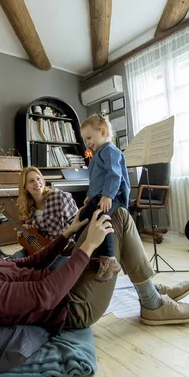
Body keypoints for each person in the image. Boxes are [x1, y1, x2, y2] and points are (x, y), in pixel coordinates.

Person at [0, 207, 189, 330]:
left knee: (104, 212)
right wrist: (86, 248)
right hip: (74, 306)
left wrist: (67, 233)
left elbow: (30, 262)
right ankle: (151, 303)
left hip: (66, 286)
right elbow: (45, 295)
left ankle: (148, 290)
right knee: (116, 220)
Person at [79, 113, 130, 282]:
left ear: (102, 131)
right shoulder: (98, 154)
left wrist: (108, 195)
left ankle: (109, 259)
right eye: (86, 140)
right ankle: (85, 250)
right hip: (102, 194)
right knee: (85, 215)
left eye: (89, 138)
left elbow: (114, 175)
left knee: (101, 215)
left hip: (116, 195)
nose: (88, 143)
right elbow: (95, 180)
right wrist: (89, 196)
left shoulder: (110, 150)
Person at [11, 166, 78, 261]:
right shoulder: (28, 208)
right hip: (39, 250)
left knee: (52, 270)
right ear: (25, 187)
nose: (36, 183)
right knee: (14, 260)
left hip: (61, 251)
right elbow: (34, 234)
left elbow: (76, 223)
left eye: (38, 179)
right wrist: (24, 232)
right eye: (31, 181)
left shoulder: (60, 197)